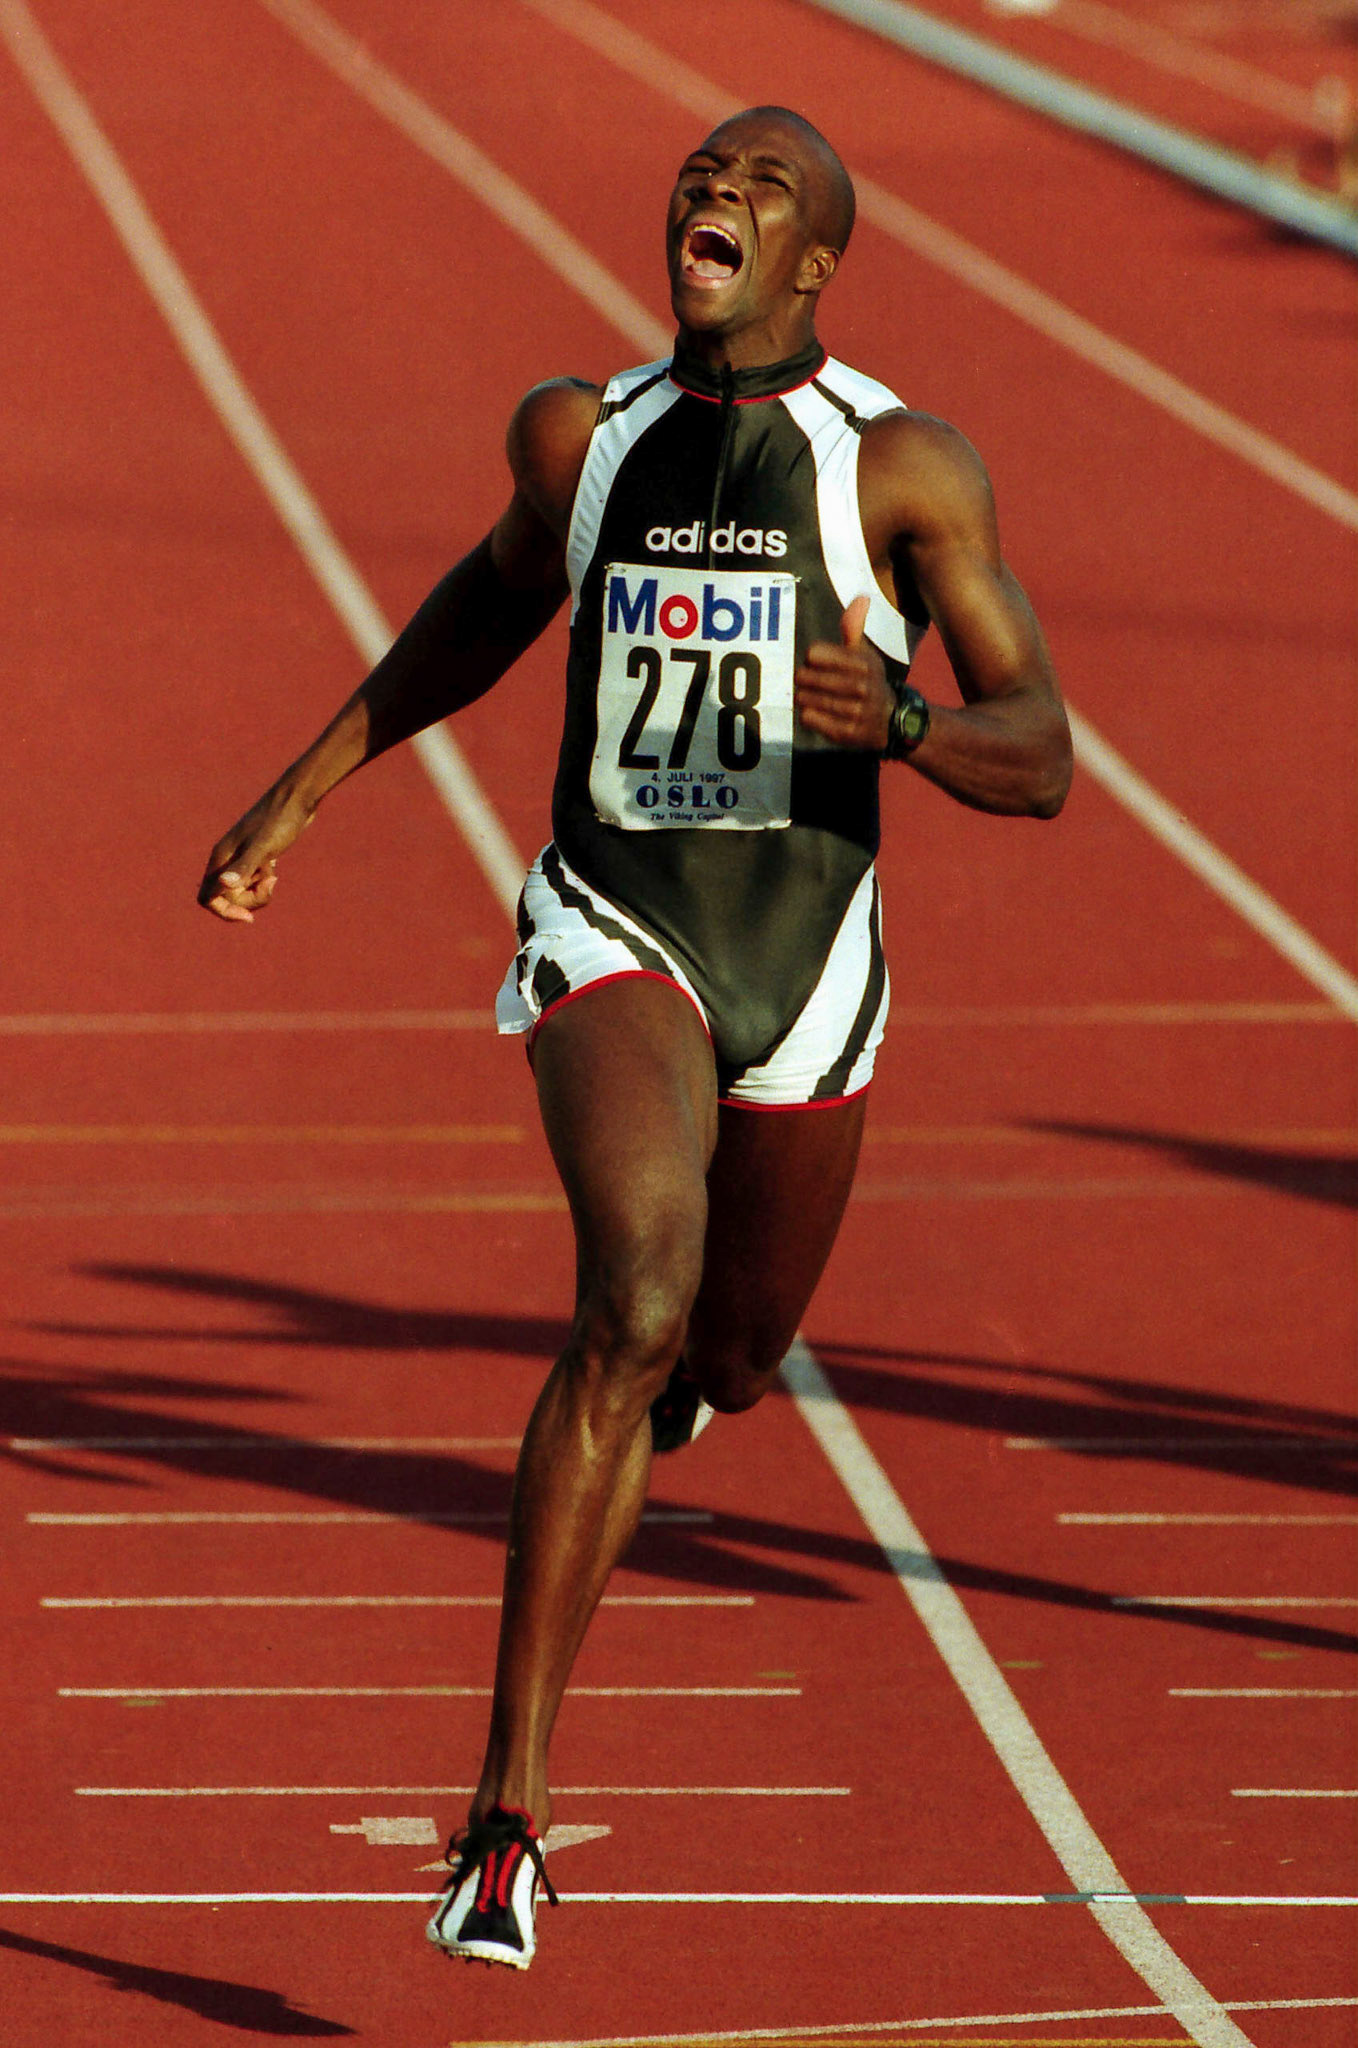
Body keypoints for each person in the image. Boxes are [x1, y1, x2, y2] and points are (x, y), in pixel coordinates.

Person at [200, 105, 1072, 1971]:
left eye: (762, 188)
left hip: (810, 964)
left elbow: (1045, 755)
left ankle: (666, 1383)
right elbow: (482, 608)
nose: (716, 197)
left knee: (734, 1359)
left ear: (818, 262)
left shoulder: (900, 473)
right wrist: (303, 788)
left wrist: (903, 729)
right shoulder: (579, 442)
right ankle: (505, 1823)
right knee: (635, 1291)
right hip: (619, 925)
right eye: (702, 174)